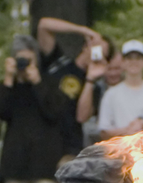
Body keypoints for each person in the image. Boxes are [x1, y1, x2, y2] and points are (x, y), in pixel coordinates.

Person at [0, 35, 67, 183]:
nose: (24, 64)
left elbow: (55, 111)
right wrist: (9, 80)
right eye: (20, 60)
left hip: (44, 164)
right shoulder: (8, 87)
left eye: (28, 60)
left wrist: (37, 82)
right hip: (16, 164)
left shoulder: (48, 83)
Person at [37, 17, 114, 155]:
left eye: (103, 53)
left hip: (68, 148)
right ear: (86, 46)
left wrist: (91, 78)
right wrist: (81, 29)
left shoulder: (95, 88)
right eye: (96, 48)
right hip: (42, 139)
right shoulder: (58, 61)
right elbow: (44, 25)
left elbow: (81, 117)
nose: (97, 54)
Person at [98, 40, 143, 140]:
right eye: (129, 58)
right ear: (123, 62)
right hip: (120, 152)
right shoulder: (111, 94)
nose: (134, 62)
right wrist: (127, 131)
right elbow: (104, 131)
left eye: (138, 58)